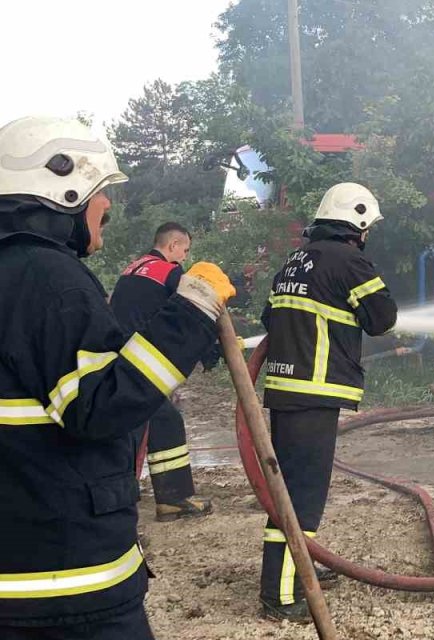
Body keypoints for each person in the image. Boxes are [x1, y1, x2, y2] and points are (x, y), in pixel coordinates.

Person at [0, 116, 235, 638]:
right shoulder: (46, 276)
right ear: (64, 188)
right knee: (167, 424)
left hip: (20, 555)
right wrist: (196, 308)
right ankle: (175, 495)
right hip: (63, 586)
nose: (107, 204)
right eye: (101, 190)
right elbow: (98, 405)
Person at [257, 182, 397, 621]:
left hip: (285, 390)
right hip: (315, 390)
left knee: (293, 487)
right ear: (356, 221)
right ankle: (280, 595)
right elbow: (382, 318)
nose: (367, 235)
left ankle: (299, 566)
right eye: (367, 226)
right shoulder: (349, 261)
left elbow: (268, 317)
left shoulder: (294, 262)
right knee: (302, 495)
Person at [110, 222, 217, 521]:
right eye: (184, 250)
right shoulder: (170, 273)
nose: (184, 256)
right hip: (142, 360)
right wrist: (211, 350)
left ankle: (128, 488)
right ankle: (174, 498)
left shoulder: (132, 268)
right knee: (166, 422)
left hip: (116, 357)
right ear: (172, 246)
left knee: (133, 424)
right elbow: (191, 313)